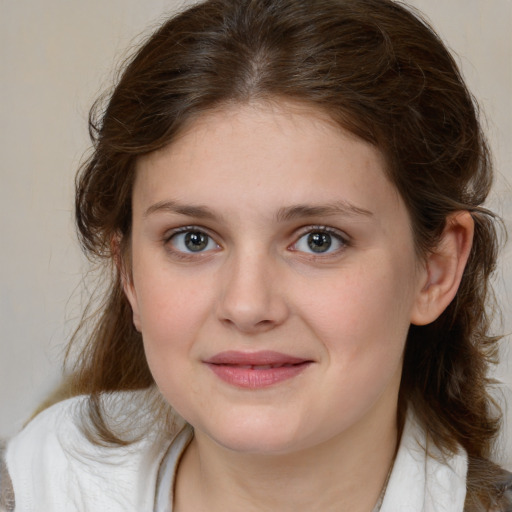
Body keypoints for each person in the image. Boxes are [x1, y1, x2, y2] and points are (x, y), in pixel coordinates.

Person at [1, 0, 511, 510]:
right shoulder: (33, 486)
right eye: (193, 239)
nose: (247, 306)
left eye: (318, 240)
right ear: (128, 272)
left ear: (435, 271)